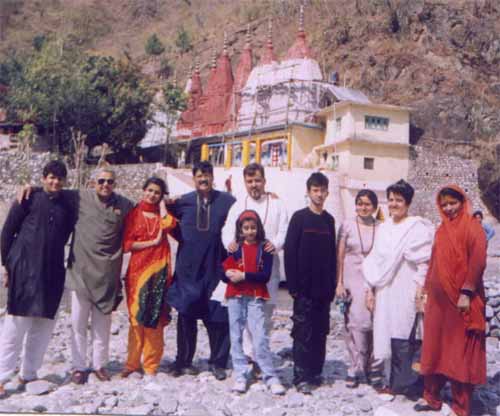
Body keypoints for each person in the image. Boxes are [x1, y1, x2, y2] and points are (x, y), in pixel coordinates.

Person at [0, 161, 75, 395]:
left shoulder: (69, 204)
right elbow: (7, 232)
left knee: (43, 327)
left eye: (59, 178)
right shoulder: (28, 198)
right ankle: (2, 376)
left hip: (52, 272)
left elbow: (88, 194)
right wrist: (7, 266)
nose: (55, 182)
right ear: (44, 178)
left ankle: (29, 373)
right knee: (15, 327)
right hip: (24, 270)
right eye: (51, 177)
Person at [415, 186, 487, 416]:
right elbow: (434, 262)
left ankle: (460, 406)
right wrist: (425, 290)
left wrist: (466, 292)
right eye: (444, 204)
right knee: (434, 348)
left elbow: (477, 262)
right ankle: (431, 397)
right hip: (438, 302)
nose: (448, 208)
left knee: (460, 351)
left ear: (462, 202)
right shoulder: (441, 230)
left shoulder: (473, 228)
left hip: (460, 302)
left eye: (452, 203)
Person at [362, 179, 434, 393]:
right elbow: (375, 260)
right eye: (391, 199)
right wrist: (369, 290)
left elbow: (424, 262)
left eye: (399, 200)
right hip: (385, 288)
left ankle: (410, 384)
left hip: (407, 286)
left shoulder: (417, 226)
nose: (393, 204)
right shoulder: (384, 228)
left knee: (407, 332)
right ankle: (389, 381)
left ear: (408, 202)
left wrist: (420, 290)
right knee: (387, 331)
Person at [166, 161, 236, 380]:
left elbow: (244, 213)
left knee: (218, 314)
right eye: (199, 175)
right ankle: (183, 361)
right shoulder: (183, 202)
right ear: (193, 178)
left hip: (216, 266)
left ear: (212, 177)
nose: (203, 179)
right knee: (186, 313)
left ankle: (218, 362)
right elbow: (166, 217)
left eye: (207, 175)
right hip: (189, 268)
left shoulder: (227, 201)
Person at [222, 163, 288, 368]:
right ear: (245, 183)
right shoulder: (238, 205)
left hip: (267, 269)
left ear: (264, 181)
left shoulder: (277, 204)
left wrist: (274, 245)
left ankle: (261, 354)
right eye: (250, 181)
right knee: (244, 313)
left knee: (264, 315)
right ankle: (248, 357)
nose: (254, 185)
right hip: (243, 269)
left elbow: (284, 230)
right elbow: (226, 231)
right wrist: (229, 244)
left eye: (257, 180)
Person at [284, 172, 337, 394]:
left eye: (322, 190)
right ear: (308, 192)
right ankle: (301, 376)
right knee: (302, 332)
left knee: (320, 331)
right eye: (315, 190)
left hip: (323, 289)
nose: (319, 194)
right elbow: (289, 252)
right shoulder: (299, 218)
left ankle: (315, 372)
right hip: (303, 289)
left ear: (327, 192)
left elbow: (332, 255)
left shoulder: (329, 220)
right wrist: (293, 287)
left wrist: (333, 285)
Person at [223, 210, 286, 395]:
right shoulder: (235, 248)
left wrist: (243, 276)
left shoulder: (265, 248)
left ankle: (270, 375)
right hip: (235, 296)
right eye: (246, 228)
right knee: (236, 337)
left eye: (253, 227)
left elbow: (265, 275)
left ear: (258, 228)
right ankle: (241, 375)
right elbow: (224, 270)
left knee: (259, 337)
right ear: (240, 230)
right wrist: (227, 274)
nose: (250, 231)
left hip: (256, 296)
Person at [121, 177, 177, 378]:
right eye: (150, 191)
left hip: (159, 271)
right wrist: (151, 242)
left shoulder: (163, 215)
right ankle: (132, 364)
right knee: (137, 317)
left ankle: (151, 365)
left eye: (157, 192)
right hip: (137, 272)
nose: (152, 195)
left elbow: (169, 225)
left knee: (155, 317)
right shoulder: (133, 214)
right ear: (143, 191)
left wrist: (162, 207)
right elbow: (127, 244)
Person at [336, 189, 382, 388]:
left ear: (374, 206)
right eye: (360, 203)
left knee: (373, 323)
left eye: (367, 204)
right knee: (354, 324)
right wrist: (339, 283)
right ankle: (354, 367)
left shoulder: (381, 227)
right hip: (351, 279)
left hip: (373, 279)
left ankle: (371, 367)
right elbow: (339, 256)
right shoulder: (346, 225)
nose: (363, 207)